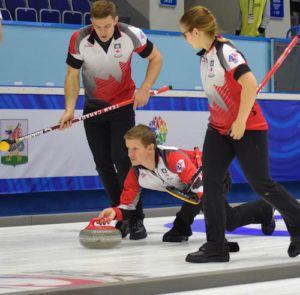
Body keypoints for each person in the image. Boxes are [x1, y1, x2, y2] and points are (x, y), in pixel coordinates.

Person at [179, 5, 300, 263]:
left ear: (196, 31)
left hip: (249, 129)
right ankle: (216, 246)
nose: (184, 39)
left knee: (261, 184)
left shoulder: (226, 52)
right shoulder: (206, 55)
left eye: (185, 34)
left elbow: (250, 83)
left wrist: (241, 121)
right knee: (210, 184)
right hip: (218, 130)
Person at [58, 1, 162, 240]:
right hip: (93, 110)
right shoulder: (79, 39)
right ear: (91, 23)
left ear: (115, 21)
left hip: (122, 108)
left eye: (106, 26)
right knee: (103, 164)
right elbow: (72, 76)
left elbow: (156, 58)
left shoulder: (131, 35)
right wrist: (69, 109)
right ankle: (120, 215)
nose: (102, 31)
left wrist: (145, 88)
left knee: (125, 162)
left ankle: (136, 219)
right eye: (97, 26)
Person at [98, 124, 275, 248]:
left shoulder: (174, 159)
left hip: (215, 175)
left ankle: (265, 209)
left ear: (151, 148)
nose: (130, 154)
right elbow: (128, 205)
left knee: (227, 221)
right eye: (128, 148)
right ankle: (181, 227)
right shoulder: (135, 173)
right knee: (187, 208)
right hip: (193, 189)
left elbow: (201, 193)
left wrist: (214, 239)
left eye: (135, 149)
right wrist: (115, 212)